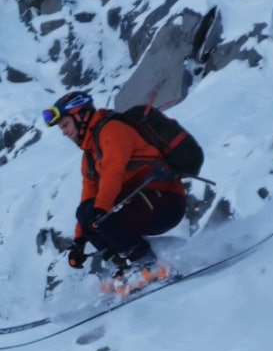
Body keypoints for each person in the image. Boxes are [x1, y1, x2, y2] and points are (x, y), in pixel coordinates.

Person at [42, 91, 187, 294]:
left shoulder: (112, 130)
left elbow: (113, 172)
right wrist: (79, 241)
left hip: (165, 200)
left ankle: (150, 265)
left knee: (96, 213)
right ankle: (126, 268)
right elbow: (88, 197)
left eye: (65, 125)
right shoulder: (89, 156)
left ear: (80, 115)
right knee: (86, 212)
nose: (64, 133)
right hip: (140, 203)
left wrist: (101, 211)